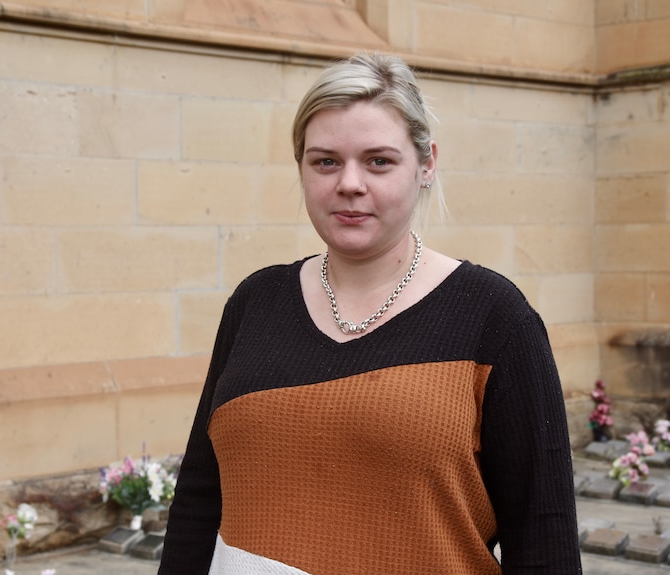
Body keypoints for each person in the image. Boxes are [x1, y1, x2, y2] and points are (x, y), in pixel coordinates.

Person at [158, 52, 582, 575]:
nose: (349, 184)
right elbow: (199, 500)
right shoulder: (256, 302)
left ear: (426, 165)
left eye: (379, 161)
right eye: (325, 161)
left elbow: (543, 531)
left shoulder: (494, 317)